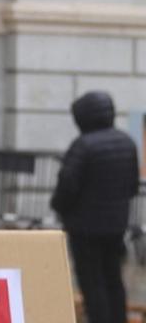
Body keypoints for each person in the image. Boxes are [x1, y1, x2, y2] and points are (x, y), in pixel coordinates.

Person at [50, 91, 139, 323]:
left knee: (92, 282)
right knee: (113, 278)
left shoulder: (83, 146)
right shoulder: (127, 142)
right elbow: (132, 185)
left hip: (85, 228)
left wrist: (59, 206)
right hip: (116, 225)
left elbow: (67, 185)